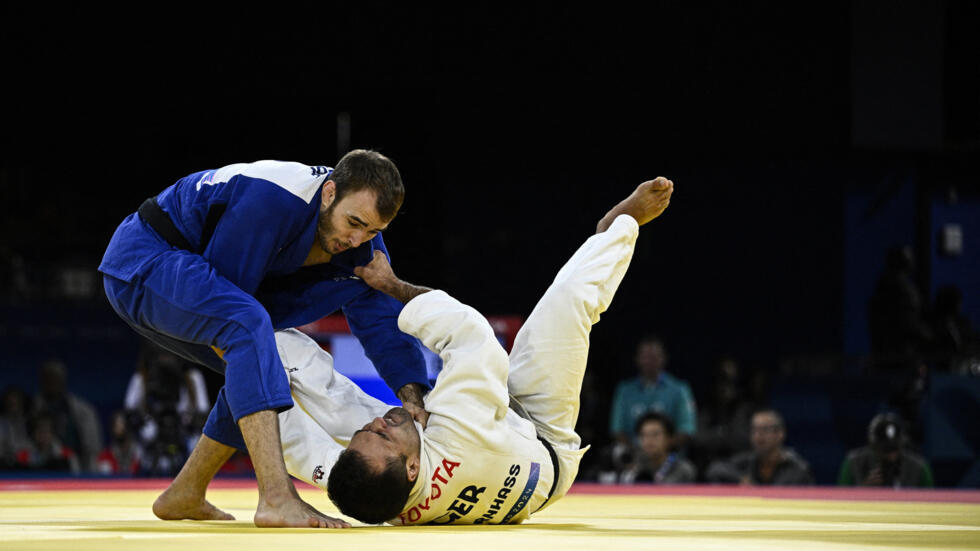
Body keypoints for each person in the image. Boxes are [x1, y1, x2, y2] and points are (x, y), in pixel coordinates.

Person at [150, 176, 673, 526]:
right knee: (570, 302)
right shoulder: (459, 429)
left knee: (277, 367)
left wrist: (245, 348)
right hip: (543, 437)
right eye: (384, 433)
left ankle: (190, 478)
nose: (381, 421)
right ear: (408, 470)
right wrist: (393, 285)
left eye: (366, 432)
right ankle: (618, 230)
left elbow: (282, 425)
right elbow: (471, 334)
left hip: (464, 456)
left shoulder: (354, 478)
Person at [100, 150, 429, 528]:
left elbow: (381, 323)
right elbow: (233, 305)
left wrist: (411, 393)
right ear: (329, 193)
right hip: (147, 258)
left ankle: (186, 492)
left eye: (372, 231)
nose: (357, 239)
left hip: (192, 277)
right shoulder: (273, 197)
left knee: (263, 360)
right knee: (250, 334)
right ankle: (275, 497)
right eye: (353, 223)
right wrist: (256, 362)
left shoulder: (364, 249)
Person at [607, 336, 697, 463]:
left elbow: (687, 429)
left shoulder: (680, 390)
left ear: (663, 359)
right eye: (645, 357)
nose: (650, 361)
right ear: (637, 359)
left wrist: (660, 450)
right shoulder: (624, 391)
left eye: (654, 357)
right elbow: (617, 430)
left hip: (670, 459)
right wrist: (640, 450)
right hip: (633, 457)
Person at [705, 409, 813, 485]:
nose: (758, 436)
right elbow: (715, 469)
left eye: (764, 430)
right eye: (754, 430)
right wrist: (740, 479)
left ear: (780, 434)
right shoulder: (747, 461)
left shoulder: (798, 470)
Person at [31, 359, 103, 472]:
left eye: (55, 379)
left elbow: (93, 448)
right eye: (47, 379)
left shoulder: (82, 410)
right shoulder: (31, 407)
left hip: (75, 469)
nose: (51, 384)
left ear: (63, 381)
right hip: (35, 469)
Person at [837, 413, 934, 488]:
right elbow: (838, 500)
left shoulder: (919, 468)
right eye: (886, 450)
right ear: (873, 446)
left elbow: (931, 503)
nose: (891, 455)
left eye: (895, 448)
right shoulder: (854, 463)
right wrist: (863, 490)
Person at [617, 411, 696, 484]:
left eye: (655, 434)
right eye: (644, 435)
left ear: (669, 438)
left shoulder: (683, 470)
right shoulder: (633, 468)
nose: (649, 440)